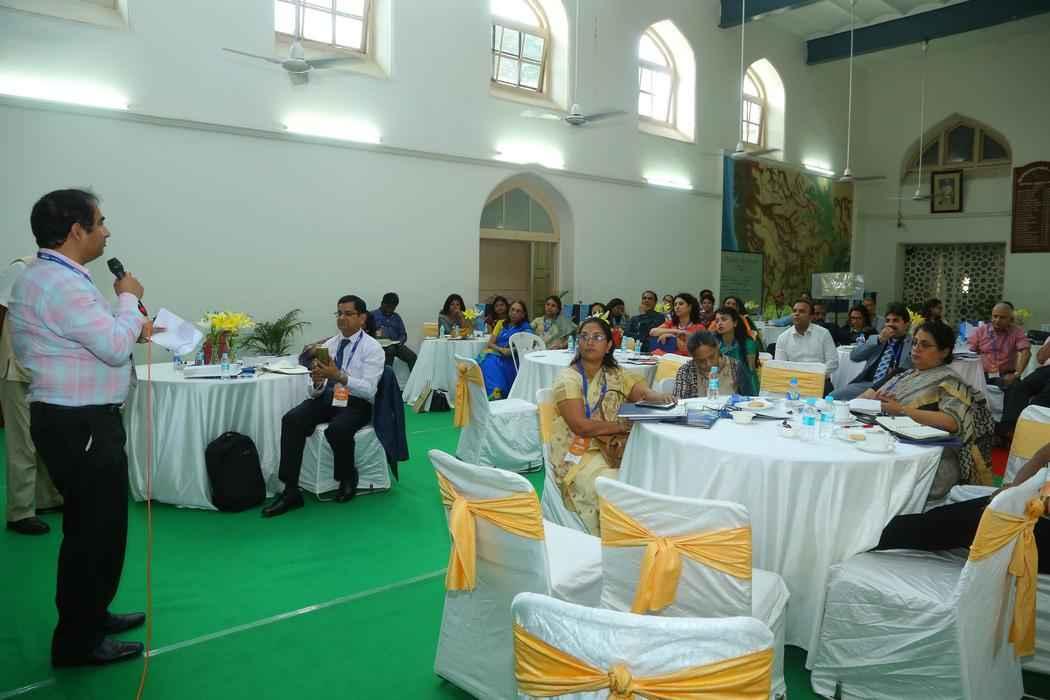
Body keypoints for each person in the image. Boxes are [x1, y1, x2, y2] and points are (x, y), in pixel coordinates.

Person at [10, 189, 156, 667]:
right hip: (82, 423)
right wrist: (129, 300)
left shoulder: (49, 276)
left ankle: (91, 616)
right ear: (77, 230)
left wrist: (127, 320)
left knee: (91, 529)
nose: (107, 231)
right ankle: (78, 641)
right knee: (94, 534)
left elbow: (95, 338)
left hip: (74, 421)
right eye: (101, 222)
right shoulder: (62, 284)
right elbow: (112, 347)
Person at [550, 317, 675, 535]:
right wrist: (621, 426)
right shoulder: (568, 378)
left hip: (615, 446)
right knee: (616, 487)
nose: (589, 341)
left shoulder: (615, 374)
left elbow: (642, 393)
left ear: (608, 345)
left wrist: (658, 397)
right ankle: (618, 540)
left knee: (656, 473)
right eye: (584, 337)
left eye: (597, 337)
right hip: (580, 451)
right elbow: (580, 426)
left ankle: (648, 537)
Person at [263, 295, 385, 517]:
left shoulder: (373, 348)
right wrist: (318, 382)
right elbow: (313, 390)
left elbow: (369, 390)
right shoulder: (328, 346)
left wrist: (339, 376)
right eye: (339, 313)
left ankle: (347, 477)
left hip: (357, 403)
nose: (342, 318)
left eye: (348, 314)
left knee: (337, 429)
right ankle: (291, 490)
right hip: (329, 398)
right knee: (292, 420)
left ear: (362, 318)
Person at [858, 321, 995, 498]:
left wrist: (901, 409)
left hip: (929, 462)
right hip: (892, 446)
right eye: (915, 343)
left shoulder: (949, 381)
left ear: (944, 351)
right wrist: (880, 403)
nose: (916, 348)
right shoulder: (905, 375)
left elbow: (952, 421)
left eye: (925, 345)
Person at [875, 441, 1050, 565]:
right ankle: (875, 531)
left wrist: (1019, 497)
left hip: (1036, 522)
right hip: (1033, 506)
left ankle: (872, 535)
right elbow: (1042, 456)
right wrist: (1015, 490)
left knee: (949, 523)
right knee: (945, 517)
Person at [0, 255, 63, 535]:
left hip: (46, 371)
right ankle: (20, 512)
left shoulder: (64, 274)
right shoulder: (21, 269)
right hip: (16, 370)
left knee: (48, 436)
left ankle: (47, 498)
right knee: (22, 443)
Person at [832, 302, 914, 401]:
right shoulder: (877, 339)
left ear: (906, 324)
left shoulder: (913, 343)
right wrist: (879, 340)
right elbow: (854, 356)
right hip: (868, 384)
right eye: (888, 321)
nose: (890, 324)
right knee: (834, 396)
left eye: (895, 320)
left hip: (894, 387)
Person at [774, 299, 839, 394]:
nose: (796, 314)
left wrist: (814, 376)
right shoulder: (783, 337)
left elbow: (833, 362)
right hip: (793, 382)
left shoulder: (823, 334)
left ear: (811, 317)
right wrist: (799, 378)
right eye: (794, 311)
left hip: (819, 380)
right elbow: (780, 366)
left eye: (802, 311)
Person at [478, 299, 531, 399]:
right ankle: (492, 393)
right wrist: (501, 349)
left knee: (490, 362)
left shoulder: (526, 328)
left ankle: (497, 394)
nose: (514, 313)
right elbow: (490, 343)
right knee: (486, 361)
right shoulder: (501, 323)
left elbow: (524, 347)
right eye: (512, 310)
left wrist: (509, 351)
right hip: (498, 354)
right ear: (509, 311)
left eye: (518, 311)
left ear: (523, 315)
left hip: (514, 360)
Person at [969, 302, 1030, 388]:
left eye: (1002, 317)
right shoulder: (980, 331)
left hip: (1006, 376)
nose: (997, 320)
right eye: (995, 316)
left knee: (1019, 388)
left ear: (1010, 319)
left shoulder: (1017, 332)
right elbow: (968, 353)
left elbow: (1026, 352)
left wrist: (1017, 374)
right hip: (982, 375)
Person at [1001, 341, 1050, 438]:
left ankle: (1029, 432)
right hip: (1046, 370)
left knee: (1040, 400)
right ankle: (1009, 429)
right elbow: (1040, 358)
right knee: (1020, 387)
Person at [673, 330, 738, 399]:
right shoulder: (686, 371)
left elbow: (745, 398)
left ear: (717, 348)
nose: (708, 364)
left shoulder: (735, 366)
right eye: (701, 361)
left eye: (712, 357)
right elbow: (678, 400)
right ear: (693, 358)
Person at [714, 306, 759, 395]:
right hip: (718, 385)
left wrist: (753, 396)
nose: (719, 323)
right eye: (717, 321)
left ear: (735, 323)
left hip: (742, 387)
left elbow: (751, 372)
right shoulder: (714, 343)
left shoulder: (748, 344)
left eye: (724, 319)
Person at [371, 292, 416, 371]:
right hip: (379, 346)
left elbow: (403, 334)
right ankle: (388, 375)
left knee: (412, 357)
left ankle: (414, 378)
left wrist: (401, 341)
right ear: (382, 303)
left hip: (396, 345)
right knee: (390, 350)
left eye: (393, 308)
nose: (390, 310)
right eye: (388, 307)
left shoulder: (396, 317)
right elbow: (366, 333)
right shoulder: (372, 316)